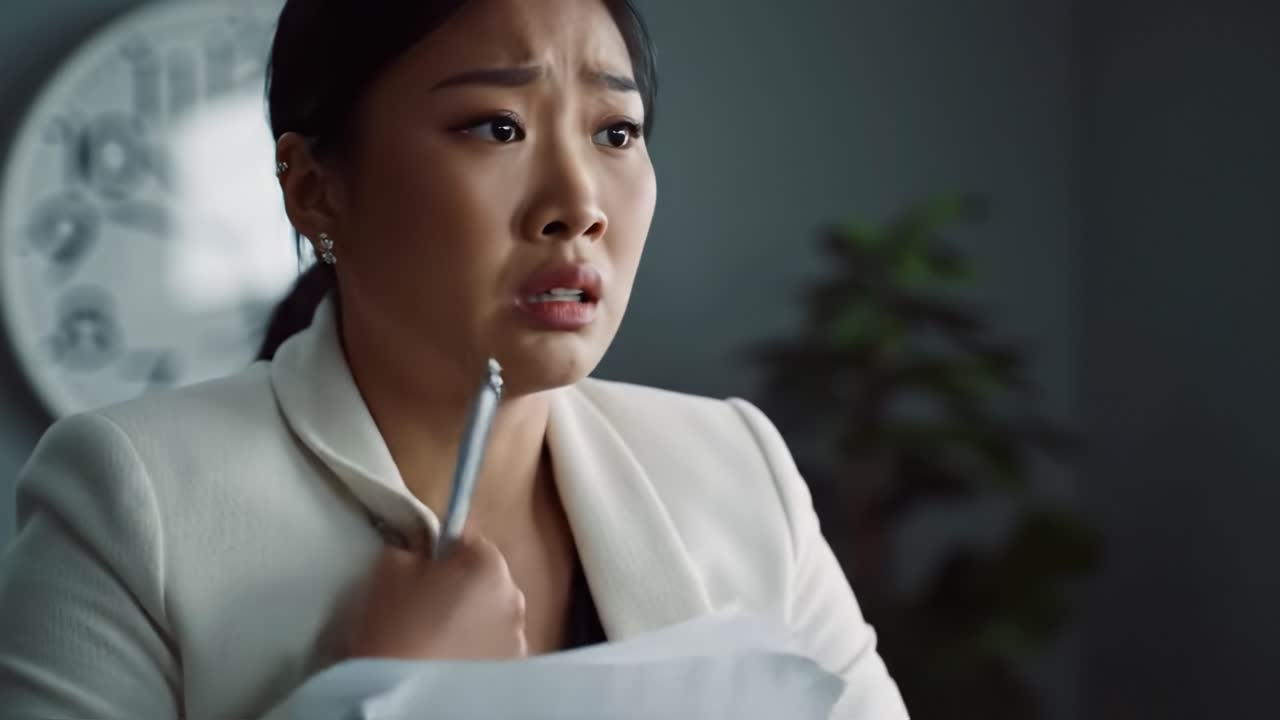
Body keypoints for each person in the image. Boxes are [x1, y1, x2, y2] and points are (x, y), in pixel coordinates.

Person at [0, 0, 908, 717]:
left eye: (616, 132)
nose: (578, 204)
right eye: (497, 127)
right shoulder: (131, 502)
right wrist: (375, 695)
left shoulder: (736, 470)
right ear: (314, 188)